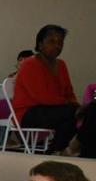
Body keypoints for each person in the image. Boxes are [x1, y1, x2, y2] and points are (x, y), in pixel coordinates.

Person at [13, 25, 79, 153]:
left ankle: (55, 151)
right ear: (40, 44)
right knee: (71, 113)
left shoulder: (61, 65)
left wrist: (76, 105)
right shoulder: (29, 64)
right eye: (52, 41)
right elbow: (41, 96)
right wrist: (70, 104)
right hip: (28, 113)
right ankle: (56, 151)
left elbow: (69, 92)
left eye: (60, 43)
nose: (57, 46)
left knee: (84, 114)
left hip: (53, 110)